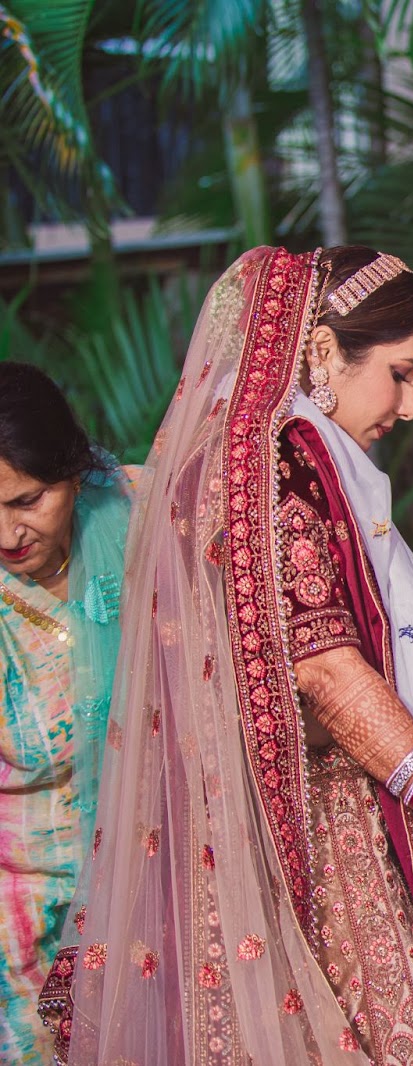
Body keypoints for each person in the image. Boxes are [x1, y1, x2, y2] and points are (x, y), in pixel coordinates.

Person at [36, 246, 413, 1065]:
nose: (408, 407)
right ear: (326, 351)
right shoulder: (283, 469)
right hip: (326, 842)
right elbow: (331, 679)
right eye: (400, 374)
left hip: (260, 835)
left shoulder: (239, 465)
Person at [1, 364, 134, 1063]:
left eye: (27, 500)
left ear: (76, 475)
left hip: (137, 901)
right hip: (14, 929)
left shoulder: (136, 528)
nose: (8, 532)